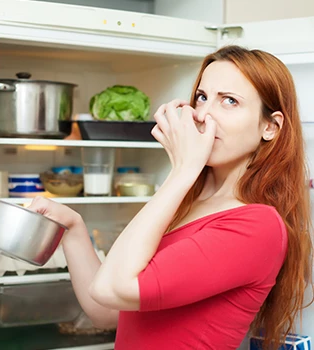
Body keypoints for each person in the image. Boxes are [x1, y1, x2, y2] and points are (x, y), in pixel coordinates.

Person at [28, 45, 313, 349]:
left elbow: (112, 288)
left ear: (270, 127)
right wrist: (73, 227)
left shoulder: (256, 225)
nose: (203, 115)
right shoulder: (188, 203)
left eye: (229, 101)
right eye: (202, 97)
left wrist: (183, 170)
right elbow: (108, 310)